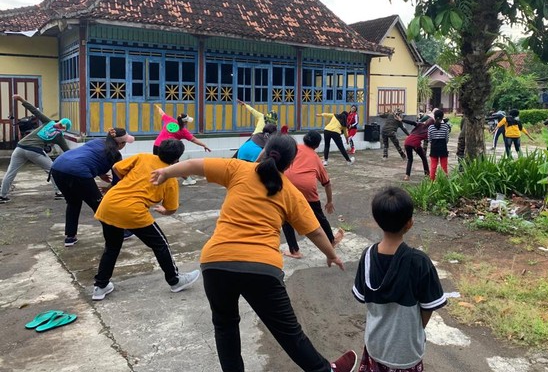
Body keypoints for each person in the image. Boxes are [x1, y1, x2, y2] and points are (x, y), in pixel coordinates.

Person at [149, 134, 358, 372]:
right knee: (288, 331)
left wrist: (167, 173)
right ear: (289, 164)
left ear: (264, 151)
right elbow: (316, 232)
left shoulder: (237, 168)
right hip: (261, 267)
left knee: (225, 326)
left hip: (215, 262)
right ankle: (325, 371)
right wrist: (331, 254)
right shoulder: (290, 192)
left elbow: (194, 165)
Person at [92, 139, 200, 301]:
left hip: (109, 204)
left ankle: (100, 286)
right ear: (177, 159)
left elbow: (116, 167)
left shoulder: (142, 157)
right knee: (160, 244)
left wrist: (127, 182)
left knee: (112, 246)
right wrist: (164, 211)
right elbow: (171, 208)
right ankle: (175, 280)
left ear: (158, 150)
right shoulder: (170, 178)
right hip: (132, 211)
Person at [353, 186, 447, 372]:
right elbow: (428, 308)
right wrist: (414, 330)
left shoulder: (367, 257)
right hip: (406, 353)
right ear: (409, 223)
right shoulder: (420, 262)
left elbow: (363, 298)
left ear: (377, 221)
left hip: (376, 346)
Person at [51, 127, 134, 247]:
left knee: (73, 202)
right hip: (78, 172)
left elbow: (88, 156)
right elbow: (117, 181)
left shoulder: (97, 141)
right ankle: (120, 232)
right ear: (121, 143)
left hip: (58, 167)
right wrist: (108, 187)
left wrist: (101, 174)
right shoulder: (115, 154)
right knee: (100, 206)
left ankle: (70, 237)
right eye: (125, 143)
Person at [282, 130, 343, 258]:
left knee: (286, 217)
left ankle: (294, 251)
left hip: (286, 184)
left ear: (304, 139)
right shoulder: (315, 158)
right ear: (316, 145)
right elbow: (327, 183)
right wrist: (329, 202)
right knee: (319, 216)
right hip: (307, 188)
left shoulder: (294, 148)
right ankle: (331, 241)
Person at [0, 94, 71, 204]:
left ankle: (2, 196)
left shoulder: (49, 122)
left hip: (19, 147)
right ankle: (59, 192)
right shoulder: (59, 136)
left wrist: (21, 99)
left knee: (10, 172)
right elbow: (68, 152)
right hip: (34, 150)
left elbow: (35, 111)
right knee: (52, 169)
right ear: (65, 128)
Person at [153, 103, 211, 185]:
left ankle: (155, 180)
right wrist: (204, 145)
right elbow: (193, 139)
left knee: (156, 163)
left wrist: (158, 107)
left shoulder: (170, 120)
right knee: (176, 166)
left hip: (157, 145)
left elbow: (162, 113)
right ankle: (188, 179)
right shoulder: (183, 131)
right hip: (169, 148)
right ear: (185, 122)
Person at [400, 116, 430, 181]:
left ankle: (407, 176)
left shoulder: (420, 124)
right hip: (415, 143)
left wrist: (402, 120)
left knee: (410, 159)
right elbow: (428, 140)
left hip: (407, 141)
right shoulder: (428, 131)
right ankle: (427, 174)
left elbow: (412, 122)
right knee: (424, 158)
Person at [427, 109, 452, 180]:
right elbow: (447, 138)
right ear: (442, 117)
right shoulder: (445, 127)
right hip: (443, 147)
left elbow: (429, 139)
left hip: (434, 148)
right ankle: (444, 181)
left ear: (434, 117)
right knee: (444, 166)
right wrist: (443, 143)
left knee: (433, 166)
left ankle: (432, 182)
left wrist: (434, 143)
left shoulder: (430, 127)